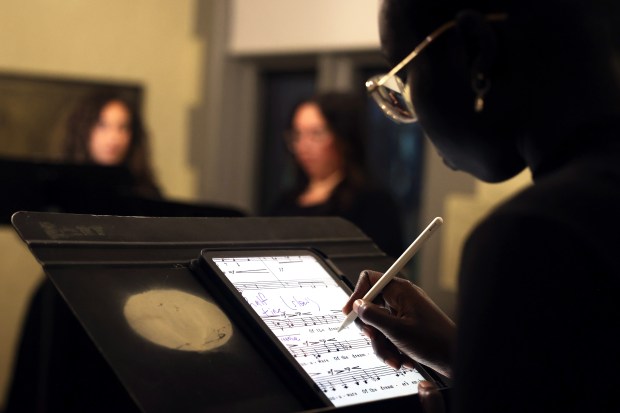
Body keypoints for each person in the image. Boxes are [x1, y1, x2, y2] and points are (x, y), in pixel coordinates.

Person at [343, 1, 620, 412]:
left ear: (476, 51)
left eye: (402, 76)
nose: (411, 112)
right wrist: (462, 356)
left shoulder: (535, 233)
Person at [269, 91, 405, 258]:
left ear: (342, 137)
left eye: (316, 134)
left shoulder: (372, 202)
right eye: (297, 135)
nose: (303, 146)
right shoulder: (286, 201)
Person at [63, 91, 161, 198]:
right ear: (83, 130)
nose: (114, 137)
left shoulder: (145, 192)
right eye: (102, 126)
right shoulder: (62, 189)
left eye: (123, 127)